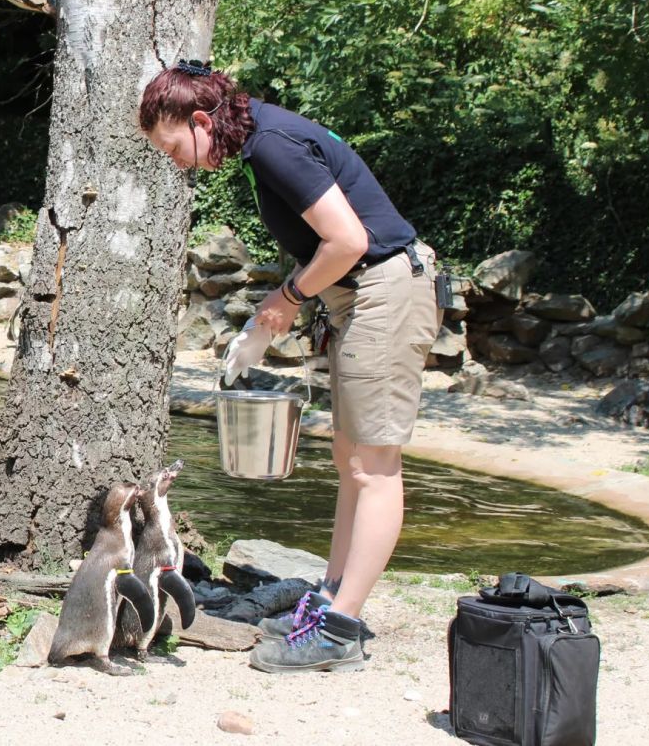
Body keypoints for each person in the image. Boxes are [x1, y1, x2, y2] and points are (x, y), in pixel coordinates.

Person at [138, 60, 442, 673]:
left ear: (200, 121)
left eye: (173, 147)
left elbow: (349, 242)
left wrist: (284, 304)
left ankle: (340, 629)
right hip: (361, 299)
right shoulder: (263, 140)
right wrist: (284, 310)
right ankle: (329, 600)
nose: (177, 162)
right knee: (349, 460)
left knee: (374, 467)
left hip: (383, 292)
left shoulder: (272, 145)